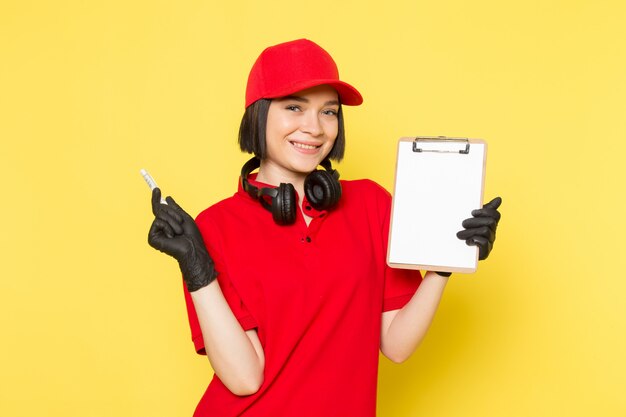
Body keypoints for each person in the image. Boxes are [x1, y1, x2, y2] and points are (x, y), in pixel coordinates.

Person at [147, 39, 502, 417]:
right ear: (258, 114)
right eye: (294, 107)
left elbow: (396, 345)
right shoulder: (214, 227)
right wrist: (197, 270)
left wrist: (444, 262)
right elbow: (244, 379)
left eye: (328, 112)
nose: (314, 128)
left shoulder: (371, 205)